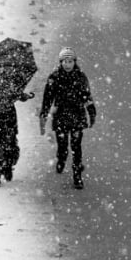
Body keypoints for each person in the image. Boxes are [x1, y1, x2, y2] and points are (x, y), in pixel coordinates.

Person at [39, 48, 96, 189]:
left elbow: (86, 96)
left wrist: (91, 112)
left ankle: (77, 175)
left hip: (77, 115)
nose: (67, 64)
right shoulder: (54, 77)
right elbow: (48, 98)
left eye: (70, 61)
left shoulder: (80, 76)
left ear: (74, 62)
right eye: (65, 61)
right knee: (62, 144)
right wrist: (44, 114)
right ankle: (61, 159)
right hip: (61, 116)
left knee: (76, 146)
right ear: (61, 62)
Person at [0, 88, 34, 187]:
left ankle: (4, 167)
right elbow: (15, 93)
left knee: (4, 147)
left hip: (1, 120)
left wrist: (24, 96)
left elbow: (15, 94)